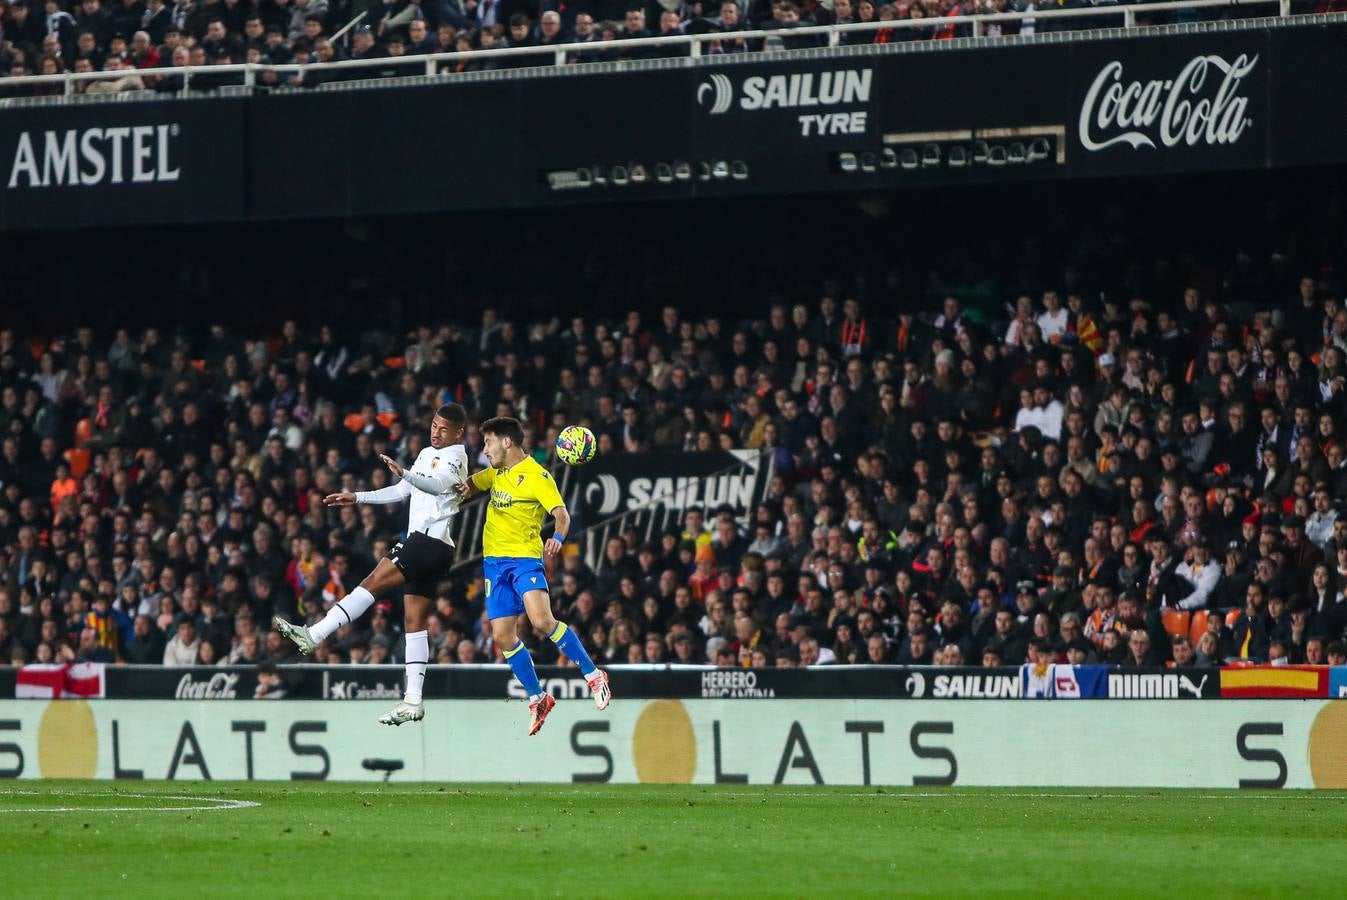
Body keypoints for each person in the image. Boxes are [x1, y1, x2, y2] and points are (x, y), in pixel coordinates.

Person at [273, 404, 470, 727]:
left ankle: (315, 634)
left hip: (427, 543)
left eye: (443, 429)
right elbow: (401, 491)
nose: (436, 432)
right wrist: (357, 497)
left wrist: (405, 472)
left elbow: (434, 486)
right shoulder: (425, 453)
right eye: (434, 425)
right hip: (436, 550)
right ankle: (413, 700)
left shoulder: (456, 457)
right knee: (413, 623)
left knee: (371, 582)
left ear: (459, 433)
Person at [454, 416, 611, 735]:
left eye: (488, 442)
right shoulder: (496, 473)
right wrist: (449, 486)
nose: (484, 450)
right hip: (493, 564)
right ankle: (538, 698)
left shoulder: (538, 476)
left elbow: (561, 515)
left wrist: (558, 537)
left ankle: (594, 675)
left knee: (541, 621)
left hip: (524, 559)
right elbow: (470, 487)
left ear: (507, 442)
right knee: (502, 636)